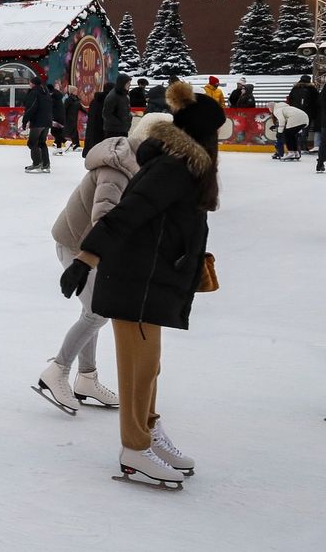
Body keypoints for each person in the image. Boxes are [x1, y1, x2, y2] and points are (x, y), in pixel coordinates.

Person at [63, 81, 224, 486]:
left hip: (151, 276)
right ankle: (134, 449)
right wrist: (85, 258)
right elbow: (126, 214)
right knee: (138, 368)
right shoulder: (173, 168)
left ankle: (148, 432)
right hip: (135, 279)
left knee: (149, 367)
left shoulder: (185, 166)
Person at [36, 114, 168, 415]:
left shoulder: (134, 164)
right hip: (77, 245)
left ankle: (87, 378)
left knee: (92, 311)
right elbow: (104, 221)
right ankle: (58, 371)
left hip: (86, 245)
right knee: (97, 313)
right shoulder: (117, 171)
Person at [21, 76, 53, 173]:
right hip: (47, 122)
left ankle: (37, 163)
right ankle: (46, 164)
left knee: (32, 142)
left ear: (33, 83)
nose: (29, 84)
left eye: (30, 82)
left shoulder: (34, 93)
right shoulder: (46, 93)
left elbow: (31, 108)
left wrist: (24, 121)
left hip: (38, 122)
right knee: (41, 142)